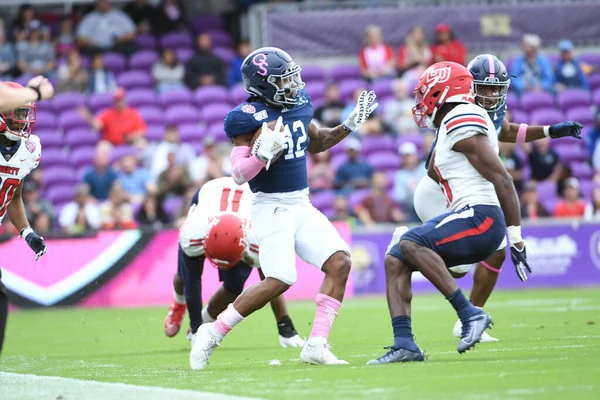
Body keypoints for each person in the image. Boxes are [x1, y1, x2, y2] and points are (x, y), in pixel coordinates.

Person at [190, 46, 377, 369]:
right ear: (262, 85)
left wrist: (349, 125)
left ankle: (316, 344)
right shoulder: (246, 119)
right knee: (279, 278)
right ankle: (212, 332)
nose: (293, 86)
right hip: (270, 205)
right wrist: (260, 157)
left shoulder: (300, 104)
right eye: (283, 81)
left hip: (300, 202)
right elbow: (237, 175)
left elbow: (315, 142)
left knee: (340, 263)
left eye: (292, 78)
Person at [411, 54, 582, 343]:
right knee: (462, 266)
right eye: (486, 88)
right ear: (469, 87)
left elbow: (507, 130)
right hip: (438, 191)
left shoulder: (490, 112)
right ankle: (411, 254)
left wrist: (551, 131)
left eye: (497, 89)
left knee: (495, 251)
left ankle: (469, 318)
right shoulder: (459, 110)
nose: (491, 95)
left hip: (462, 190)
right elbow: (435, 166)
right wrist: (465, 194)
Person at [368, 61, 527, 365]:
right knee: (395, 259)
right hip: (469, 215)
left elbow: (503, 178)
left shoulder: (461, 116)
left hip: (481, 217)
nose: (422, 101)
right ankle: (405, 344)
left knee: (410, 243)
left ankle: (469, 315)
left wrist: (516, 238)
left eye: (426, 93)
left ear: (444, 90)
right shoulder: (451, 123)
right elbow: (433, 169)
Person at [166, 177, 304, 348]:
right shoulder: (194, 233)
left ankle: (205, 322)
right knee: (184, 277)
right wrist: (196, 330)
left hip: (246, 207)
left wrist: (285, 327)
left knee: (235, 285)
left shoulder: (255, 237)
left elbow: (271, 279)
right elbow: (193, 281)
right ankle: (178, 305)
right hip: (209, 194)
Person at [0, 79, 54, 355]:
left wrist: (26, 232)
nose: (22, 119)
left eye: (25, 113)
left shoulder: (27, 150)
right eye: (17, 112)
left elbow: (14, 193)